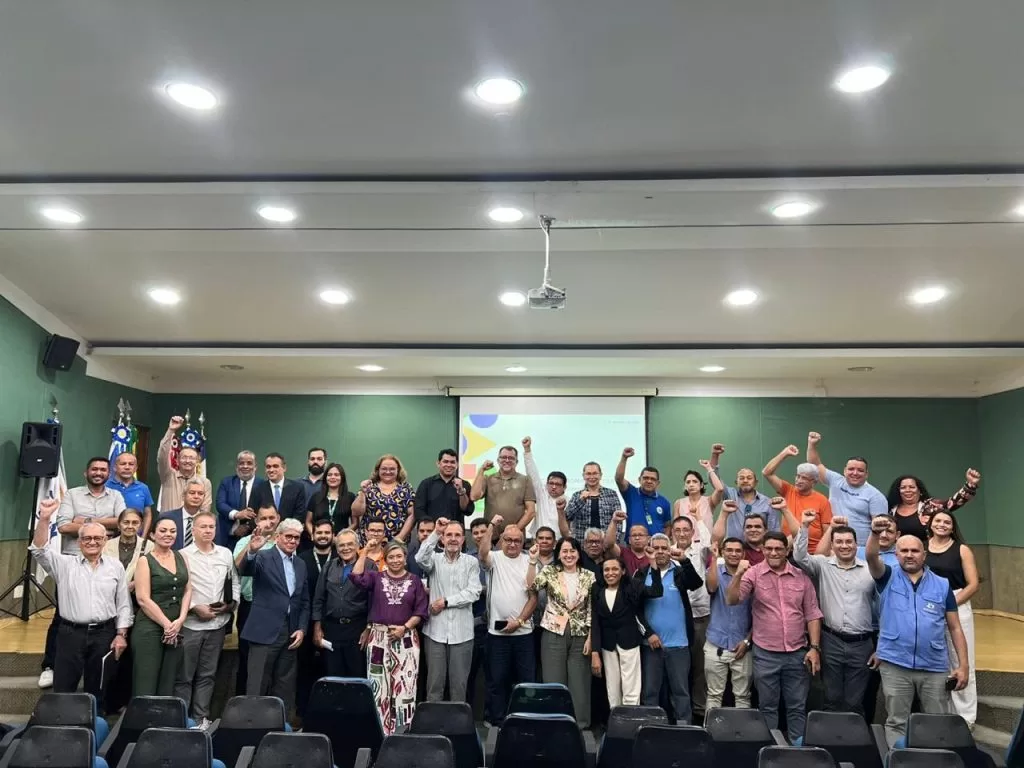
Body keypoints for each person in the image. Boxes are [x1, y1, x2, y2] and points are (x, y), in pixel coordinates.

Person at [865, 519, 970, 745]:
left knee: (937, 723)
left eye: (915, 551)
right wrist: (874, 533)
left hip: (933, 666)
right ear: (896, 554)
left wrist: (964, 665)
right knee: (897, 722)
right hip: (895, 663)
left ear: (924, 555)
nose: (909, 555)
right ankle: (899, 759)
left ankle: (935, 759)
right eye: (904, 551)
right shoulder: (886, 577)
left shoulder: (942, 585)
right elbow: (871, 557)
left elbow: (955, 627)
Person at [30, 498, 131, 707]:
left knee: (98, 690)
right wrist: (45, 518)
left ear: (105, 540)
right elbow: (39, 550)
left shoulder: (115, 567)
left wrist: (121, 634)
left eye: (97, 538)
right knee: (63, 689)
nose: (92, 542)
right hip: (70, 634)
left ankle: (94, 724)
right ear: (79, 541)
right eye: (87, 538)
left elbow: (123, 603)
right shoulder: (64, 565)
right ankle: (63, 725)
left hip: (104, 634)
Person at [727, 531, 823, 743]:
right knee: (767, 707)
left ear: (787, 551)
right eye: (769, 548)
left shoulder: (801, 576)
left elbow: (813, 614)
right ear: (762, 549)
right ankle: (770, 750)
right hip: (766, 654)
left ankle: (798, 750)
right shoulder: (753, 574)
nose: (773, 552)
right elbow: (732, 599)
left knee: (797, 707)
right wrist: (738, 575)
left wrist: (814, 648)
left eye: (778, 548)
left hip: (797, 653)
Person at [792, 509, 876, 715]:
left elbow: (884, 609)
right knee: (831, 698)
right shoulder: (822, 565)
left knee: (855, 702)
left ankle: (853, 735)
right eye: (839, 542)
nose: (844, 546)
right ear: (832, 544)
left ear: (856, 545)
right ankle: (831, 735)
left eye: (848, 542)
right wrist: (805, 526)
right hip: (831, 641)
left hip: (862, 643)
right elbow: (799, 556)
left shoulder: (870, 571)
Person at [350, 541, 429, 735]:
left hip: (406, 638)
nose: (395, 560)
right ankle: (380, 735)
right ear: (385, 560)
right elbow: (356, 576)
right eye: (391, 557)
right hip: (379, 638)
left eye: (399, 556)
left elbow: (421, 611)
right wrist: (365, 551)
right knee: (378, 688)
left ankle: (403, 735)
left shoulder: (415, 581)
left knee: (405, 688)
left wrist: (405, 627)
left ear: (405, 558)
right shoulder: (376, 577)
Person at [175, 511, 238, 730]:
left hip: (217, 624)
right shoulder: (182, 555)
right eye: (203, 527)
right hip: (191, 624)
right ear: (193, 530)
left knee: (208, 675)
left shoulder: (225, 554)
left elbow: (234, 582)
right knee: (184, 676)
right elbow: (177, 588)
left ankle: (201, 719)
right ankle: (182, 720)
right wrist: (194, 607)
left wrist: (230, 604)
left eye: (211, 527)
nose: (208, 530)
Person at [240, 518, 310, 714]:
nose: (292, 541)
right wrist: (251, 551)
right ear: (278, 536)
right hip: (264, 630)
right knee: (257, 684)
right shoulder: (263, 556)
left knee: (285, 685)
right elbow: (246, 569)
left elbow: (304, 600)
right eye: (288, 536)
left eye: (296, 537)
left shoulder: (300, 564)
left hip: (290, 632)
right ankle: (252, 723)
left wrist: (302, 629)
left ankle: (282, 726)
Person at [527, 537, 597, 727]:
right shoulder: (549, 571)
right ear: (558, 554)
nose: (569, 555)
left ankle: (579, 724)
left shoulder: (589, 576)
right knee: (553, 679)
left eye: (572, 551)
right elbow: (532, 586)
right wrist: (532, 562)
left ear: (578, 553)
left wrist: (591, 638)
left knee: (579, 681)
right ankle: (554, 722)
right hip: (553, 631)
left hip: (581, 633)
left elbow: (592, 609)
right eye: (564, 551)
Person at [477, 517, 538, 726]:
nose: (512, 544)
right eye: (508, 540)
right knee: (497, 680)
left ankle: (525, 720)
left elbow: (533, 596)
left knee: (526, 681)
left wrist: (519, 621)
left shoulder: (530, 561)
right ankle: (497, 721)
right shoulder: (494, 558)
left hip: (524, 633)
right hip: (497, 635)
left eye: (517, 540)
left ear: (523, 543)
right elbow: (482, 553)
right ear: (501, 540)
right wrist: (492, 526)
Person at [637, 533, 704, 724]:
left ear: (670, 550)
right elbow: (635, 609)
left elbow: (696, 583)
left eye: (664, 548)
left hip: (679, 643)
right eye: (655, 548)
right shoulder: (641, 573)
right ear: (649, 550)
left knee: (681, 692)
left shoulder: (679, 571)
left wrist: (685, 561)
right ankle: (651, 729)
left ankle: (684, 730)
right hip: (650, 645)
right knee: (650, 692)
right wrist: (648, 634)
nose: (660, 552)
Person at [416, 518, 483, 702]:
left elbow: (474, 592)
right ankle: (433, 720)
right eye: (449, 535)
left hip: (462, 634)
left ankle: (457, 721)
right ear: (442, 539)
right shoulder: (434, 560)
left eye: (457, 535)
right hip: (435, 633)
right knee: (434, 687)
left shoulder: (471, 562)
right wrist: (436, 532)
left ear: (463, 539)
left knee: (459, 688)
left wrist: (446, 602)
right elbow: (419, 558)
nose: (453, 539)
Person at [926, 510, 980, 729]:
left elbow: (973, 584)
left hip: (957, 603)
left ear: (952, 526)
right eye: (938, 520)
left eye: (947, 522)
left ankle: (966, 718)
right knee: (939, 660)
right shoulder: (922, 547)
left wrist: (949, 604)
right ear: (931, 524)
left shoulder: (962, 549)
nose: (942, 524)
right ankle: (945, 713)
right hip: (929, 606)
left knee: (961, 660)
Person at [590, 555, 663, 707]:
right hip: (608, 644)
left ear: (623, 571)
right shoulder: (596, 588)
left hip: (629, 641)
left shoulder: (633, 585)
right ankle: (616, 718)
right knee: (612, 688)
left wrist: (653, 564)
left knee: (631, 688)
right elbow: (595, 621)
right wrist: (595, 652)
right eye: (606, 570)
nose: (610, 573)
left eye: (615, 569)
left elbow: (656, 591)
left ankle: (630, 719)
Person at [132, 515, 192, 696]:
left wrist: (180, 620)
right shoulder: (145, 561)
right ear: (152, 535)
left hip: (175, 627)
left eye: (173, 531)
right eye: (163, 530)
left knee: (168, 681)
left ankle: (163, 715)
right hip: (150, 627)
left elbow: (188, 590)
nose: (168, 534)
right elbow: (143, 598)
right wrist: (167, 625)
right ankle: (142, 715)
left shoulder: (182, 556)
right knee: (146, 682)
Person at [806, 432, 888, 544]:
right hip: (834, 544)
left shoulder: (876, 496)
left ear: (866, 474)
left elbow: (880, 529)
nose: (855, 473)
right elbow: (815, 465)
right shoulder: (836, 481)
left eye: (860, 470)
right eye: (851, 469)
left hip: (861, 547)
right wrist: (812, 444)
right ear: (845, 471)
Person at [313, 530, 374, 678]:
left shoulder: (369, 565)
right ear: (336, 547)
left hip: (357, 629)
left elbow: (374, 601)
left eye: (350, 544)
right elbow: (319, 598)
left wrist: (368, 629)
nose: (346, 548)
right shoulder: (329, 566)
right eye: (341, 545)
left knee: (356, 676)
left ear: (357, 546)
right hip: (332, 629)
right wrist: (317, 628)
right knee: (333, 676)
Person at [232, 506, 279, 695]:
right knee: (246, 657)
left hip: (275, 608)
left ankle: (269, 703)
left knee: (272, 659)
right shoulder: (244, 541)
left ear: (278, 518)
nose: (268, 522)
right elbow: (237, 567)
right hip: (250, 606)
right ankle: (242, 702)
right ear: (257, 521)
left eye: (272, 517)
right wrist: (250, 546)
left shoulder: (284, 541)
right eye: (263, 518)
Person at [669, 515, 713, 721]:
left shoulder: (700, 550)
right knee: (677, 669)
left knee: (699, 668)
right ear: (672, 533)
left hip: (700, 617)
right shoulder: (667, 552)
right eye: (677, 530)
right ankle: (678, 713)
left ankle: (699, 711)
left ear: (692, 532)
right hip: (675, 618)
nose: (682, 534)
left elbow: (710, 540)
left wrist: (699, 519)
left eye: (686, 529)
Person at [704, 539, 753, 709]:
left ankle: (741, 727)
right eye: (729, 550)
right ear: (723, 552)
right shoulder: (714, 570)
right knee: (714, 695)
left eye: (738, 551)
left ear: (743, 554)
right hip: (716, 643)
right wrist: (713, 557)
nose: (733, 554)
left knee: (743, 696)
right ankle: (711, 726)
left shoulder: (752, 575)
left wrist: (747, 641)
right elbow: (711, 587)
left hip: (742, 644)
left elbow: (760, 613)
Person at [761, 445, 833, 551]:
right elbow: (767, 473)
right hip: (788, 550)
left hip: (811, 552)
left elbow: (828, 533)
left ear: (814, 482)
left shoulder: (822, 500)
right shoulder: (788, 490)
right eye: (798, 476)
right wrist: (784, 453)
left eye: (804, 478)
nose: (799, 480)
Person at [296, 520, 336, 714]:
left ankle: (328, 712)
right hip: (305, 620)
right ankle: (303, 712)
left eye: (327, 533)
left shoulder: (339, 557)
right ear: (312, 535)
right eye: (319, 532)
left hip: (332, 621)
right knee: (304, 667)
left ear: (333, 535)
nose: (323, 536)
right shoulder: (301, 558)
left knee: (330, 668)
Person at [707, 443, 780, 538]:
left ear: (756, 483)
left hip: (758, 546)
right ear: (736, 482)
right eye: (741, 478)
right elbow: (714, 479)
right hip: (733, 546)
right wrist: (715, 455)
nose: (745, 480)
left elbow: (773, 531)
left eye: (749, 478)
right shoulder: (730, 496)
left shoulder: (767, 503)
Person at [886, 469, 981, 541]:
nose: (907, 490)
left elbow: (953, 502)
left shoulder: (930, 506)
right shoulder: (891, 510)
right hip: (898, 556)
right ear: (898, 491)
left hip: (928, 555)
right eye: (903, 487)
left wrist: (970, 485)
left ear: (919, 491)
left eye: (912, 487)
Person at [471, 445, 537, 537]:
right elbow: (474, 496)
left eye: (511, 458)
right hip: (490, 536)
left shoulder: (525, 480)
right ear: (498, 460)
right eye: (503, 457)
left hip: (515, 538)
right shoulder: (489, 479)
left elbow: (531, 511)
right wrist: (481, 470)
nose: (507, 460)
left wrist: (513, 531)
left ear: (516, 462)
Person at [352, 454, 416, 544]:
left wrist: (400, 537)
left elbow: (412, 514)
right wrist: (363, 492)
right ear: (378, 470)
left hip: (396, 544)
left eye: (392, 469)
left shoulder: (406, 488)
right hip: (369, 542)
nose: (388, 472)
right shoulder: (369, 487)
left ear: (398, 470)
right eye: (384, 469)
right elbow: (356, 512)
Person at [157, 416, 212, 514]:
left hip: (192, 523)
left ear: (197, 461)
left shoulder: (205, 483)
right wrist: (171, 430)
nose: (187, 461)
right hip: (168, 523)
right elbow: (162, 455)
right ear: (177, 460)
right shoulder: (168, 476)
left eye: (191, 458)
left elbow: (205, 511)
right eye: (184, 457)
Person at [465, 518, 492, 719]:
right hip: (471, 624)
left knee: (494, 675)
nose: (480, 535)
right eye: (475, 532)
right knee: (468, 673)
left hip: (494, 626)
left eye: (483, 531)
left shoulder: (499, 555)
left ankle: (492, 717)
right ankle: (465, 716)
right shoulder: (466, 558)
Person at [615, 447, 671, 535]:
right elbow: (619, 479)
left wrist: (663, 540)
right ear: (639, 480)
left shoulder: (664, 502)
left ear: (657, 483)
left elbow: (667, 525)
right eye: (645, 478)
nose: (649, 481)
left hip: (655, 543)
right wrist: (624, 458)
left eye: (653, 479)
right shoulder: (631, 493)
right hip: (634, 542)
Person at [565, 458, 622, 543]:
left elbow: (619, 520)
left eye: (595, 473)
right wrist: (581, 500)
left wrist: (613, 542)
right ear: (583, 476)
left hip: (606, 544)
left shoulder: (611, 494)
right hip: (582, 544)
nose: (592, 477)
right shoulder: (577, 495)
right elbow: (568, 516)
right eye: (588, 474)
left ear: (600, 475)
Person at [215, 450, 264, 547]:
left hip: (254, 536)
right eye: (242, 463)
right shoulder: (227, 482)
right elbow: (220, 504)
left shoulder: (263, 484)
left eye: (249, 463)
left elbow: (264, 510)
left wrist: (248, 526)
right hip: (228, 536)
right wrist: (237, 514)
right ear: (237, 466)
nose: (245, 466)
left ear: (255, 467)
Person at [414, 449, 474, 525]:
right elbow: (419, 510)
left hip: (454, 531)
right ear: (438, 463)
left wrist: (461, 490)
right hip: (432, 530)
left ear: (457, 465)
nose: (449, 465)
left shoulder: (464, 485)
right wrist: (430, 526)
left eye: (452, 462)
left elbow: (468, 511)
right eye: (445, 462)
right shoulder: (426, 484)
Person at [522, 436, 567, 537]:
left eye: (558, 484)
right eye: (551, 483)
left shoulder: (568, 502)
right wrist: (527, 450)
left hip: (559, 542)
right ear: (546, 484)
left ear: (564, 487)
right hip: (539, 541)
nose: (554, 487)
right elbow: (532, 473)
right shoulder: (542, 495)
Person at [106, 452, 156, 538]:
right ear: (114, 467)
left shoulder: (143, 488)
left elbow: (147, 514)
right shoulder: (106, 486)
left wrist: (143, 537)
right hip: (111, 537)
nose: (127, 467)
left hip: (136, 537)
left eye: (131, 464)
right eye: (123, 464)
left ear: (135, 468)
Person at [249, 453, 307, 523]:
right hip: (265, 529)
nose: (271, 470)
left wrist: (287, 528)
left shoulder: (297, 488)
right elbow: (252, 515)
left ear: (284, 468)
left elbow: (300, 514)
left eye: (275, 466)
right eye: (268, 467)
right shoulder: (257, 489)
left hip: (290, 529)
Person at [673, 461, 719, 546]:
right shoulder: (679, 503)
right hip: (685, 547)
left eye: (695, 481)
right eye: (688, 482)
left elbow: (719, 489)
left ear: (701, 485)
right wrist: (676, 547)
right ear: (685, 486)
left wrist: (709, 468)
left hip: (705, 545)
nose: (691, 484)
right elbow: (675, 528)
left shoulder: (709, 501)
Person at [103, 508, 152, 584]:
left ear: (140, 526)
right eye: (126, 522)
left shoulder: (149, 546)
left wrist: (135, 583)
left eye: (135, 523)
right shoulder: (106, 545)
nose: (130, 526)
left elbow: (151, 574)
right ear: (119, 525)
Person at [305, 462, 355, 537]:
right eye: (329, 475)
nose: (332, 477)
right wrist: (314, 535)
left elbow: (355, 523)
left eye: (336, 475)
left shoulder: (350, 497)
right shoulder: (316, 497)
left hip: (341, 541)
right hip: (319, 539)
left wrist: (341, 537)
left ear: (342, 477)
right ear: (325, 477)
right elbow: (308, 521)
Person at [163, 478, 207, 551]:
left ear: (204, 497)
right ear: (183, 496)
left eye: (200, 493)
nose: (196, 496)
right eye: (192, 493)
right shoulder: (167, 517)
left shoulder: (210, 521)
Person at [603, 510, 650, 575]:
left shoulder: (653, 556)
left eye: (640, 535)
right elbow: (609, 544)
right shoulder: (623, 553)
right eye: (634, 535)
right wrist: (614, 521)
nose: (637, 538)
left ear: (648, 539)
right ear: (629, 540)